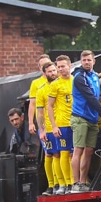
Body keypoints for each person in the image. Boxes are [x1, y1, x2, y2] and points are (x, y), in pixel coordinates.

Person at [70, 50, 101, 192]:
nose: (86, 63)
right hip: (80, 117)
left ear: (94, 61)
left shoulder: (94, 76)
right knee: (78, 150)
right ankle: (76, 183)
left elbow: (97, 80)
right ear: (81, 62)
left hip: (92, 119)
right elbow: (90, 96)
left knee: (89, 151)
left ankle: (84, 182)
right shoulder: (79, 77)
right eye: (84, 60)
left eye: (89, 60)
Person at [47, 55, 75, 194]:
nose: (60, 69)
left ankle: (75, 181)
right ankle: (66, 183)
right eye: (58, 67)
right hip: (62, 123)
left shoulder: (75, 81)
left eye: (63, 66)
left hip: (75, 121)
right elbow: (50, 106)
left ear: (69, 66)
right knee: (63, 153)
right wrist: (54, 126)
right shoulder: (55, 84)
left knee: (73, 154)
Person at [35, 61, 65, 195]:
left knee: (63, 153)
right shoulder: (41, 90)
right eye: (50, 71)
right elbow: (39, 112)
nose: (53, 73)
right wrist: (41, 130)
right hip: (48, 127)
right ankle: (52, 185)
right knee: (50, 153)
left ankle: (63, 183)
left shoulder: (62, 84)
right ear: (44, 73)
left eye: (54, 70)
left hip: (62, 124)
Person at [27, 54, 52, 137]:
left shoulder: (58, 80)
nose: (45, 66)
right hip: (43, 121)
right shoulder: (36, 83)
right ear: (40, 68)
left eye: (47, 64)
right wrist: (31, 123)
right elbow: (32, 104)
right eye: (43, 65)